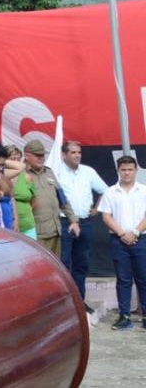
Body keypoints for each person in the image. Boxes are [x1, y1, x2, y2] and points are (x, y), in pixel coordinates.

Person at [97, 155, 146, 330]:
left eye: (130, 169)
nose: (126, 173)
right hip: (118, 240)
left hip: (141, 239)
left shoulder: (144, 190)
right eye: (123, 170)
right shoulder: (111, 191)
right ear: (118, 171)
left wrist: (134, 232)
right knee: (123, 279)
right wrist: (122, 233)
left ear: (135, 170)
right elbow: (105, 215)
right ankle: (124, 316)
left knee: (143, 278)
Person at [55, 141, 108, 303]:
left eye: (79, 152)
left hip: (84, 222)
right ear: (64, 154)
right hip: (64, 222)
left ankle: (79, 302)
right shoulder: (55, 172)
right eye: (73, 152)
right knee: (63, 263)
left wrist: (97, 209)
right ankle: (64, 303)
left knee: (81, 263)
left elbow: (106, 191)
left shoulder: (88, 171)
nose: (77, 155)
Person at [23, 139, 80, 257]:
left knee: (55, 267)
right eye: (37, 155)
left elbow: (62, 198)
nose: (41, 158)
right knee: (37, 267)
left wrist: (73, 220)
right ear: (27, 156)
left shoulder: (48, 172)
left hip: (55, 231)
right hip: (35, 233)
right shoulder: (21, 174)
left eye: (42, 155)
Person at [7, 145, 38, 240]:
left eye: (18, 159)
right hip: (8, 225)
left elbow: (34, 201)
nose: (16, 162)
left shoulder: (27, 177)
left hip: (27, 225)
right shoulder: (1, 175)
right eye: (13, 159)